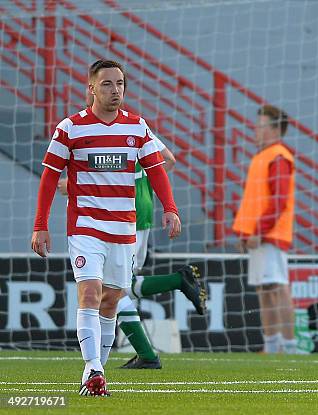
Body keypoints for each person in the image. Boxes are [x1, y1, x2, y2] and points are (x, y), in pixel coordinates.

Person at [31, 59, 181, 396]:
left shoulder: (137, 127)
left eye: (120, 84)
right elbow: (49, 178)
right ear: (91, 88)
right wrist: (40, 224)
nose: (116, 90)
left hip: (124, 230)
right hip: (86, 228)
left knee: (112, 300)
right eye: (108, 84)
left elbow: (157, 170)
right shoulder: (70, 128)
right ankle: (94, 369)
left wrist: (170, 208)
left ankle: (96, 374)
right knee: (89, 292)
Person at [56, 92, 206, 370]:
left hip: (124, 211)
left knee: (116, 289)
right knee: (117, 287)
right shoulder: (121, 128)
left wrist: (126, 179)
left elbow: (165, 161)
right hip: (137, 210)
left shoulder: (132, 127)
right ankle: (146, 352)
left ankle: (173, 289)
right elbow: (167, 160)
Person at [232, 105, 297, 354]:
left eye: (260, 126)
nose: (255, 130)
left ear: (275, 129)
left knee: (277, 288)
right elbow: (254, 201)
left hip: (270, 235)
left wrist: (259, 230)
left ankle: (289, 347)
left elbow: (278, 201)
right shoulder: (263, 156)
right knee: (265, 289)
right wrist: (246, 232)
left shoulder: (279, 156)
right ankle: (272, 346)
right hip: (259, 235)